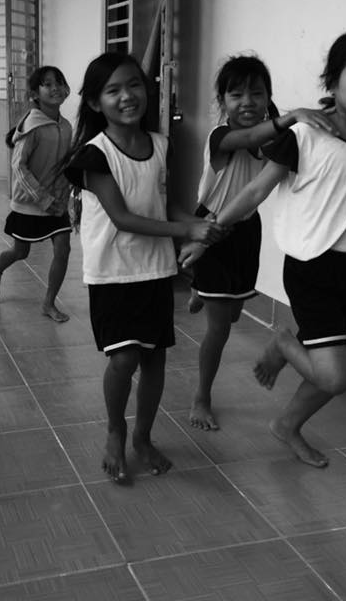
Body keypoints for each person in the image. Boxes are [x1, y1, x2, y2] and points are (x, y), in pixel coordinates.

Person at [180, 27, 346, 467]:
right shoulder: (304, 135)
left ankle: (287, 424)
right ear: (333, 81)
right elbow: (254, 192)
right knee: (336, 375)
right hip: (313, 265)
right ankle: (286, 344)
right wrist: (208, 234)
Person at [64, 52, 223, 484]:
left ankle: (143, 437)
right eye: (113, 90)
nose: (127, 96)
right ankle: (116, 430)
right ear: (95, 103)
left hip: (154, 269)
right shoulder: (93, 156)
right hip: (112, 272)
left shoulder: (161, 144)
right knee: (124, 359)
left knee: (154, 361)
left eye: (134, 85)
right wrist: (185, 230)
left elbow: (162, 203)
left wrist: (198, 224)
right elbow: (123, 217)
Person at [187, 55, 335, 431]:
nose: (247, 102)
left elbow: (289, 153)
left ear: (268, 96)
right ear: (222, 101)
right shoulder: (221, 136)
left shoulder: (277, 141)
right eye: (236, 95)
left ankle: (202, 289)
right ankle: (201, 397)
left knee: (234, 312)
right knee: (219, 328)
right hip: (211, 226)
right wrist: (294, 115)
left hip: (246, 230)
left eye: (256, 93)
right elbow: (250, 137)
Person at [0, 66, 74, 322]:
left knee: (63, 248)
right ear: (35, 93)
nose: (55, 88)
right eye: (47, 84)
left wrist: (68, 194)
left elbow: (65, 164)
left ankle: (49, 303)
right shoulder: (32, 126)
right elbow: (19, 167)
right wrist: (43, 199)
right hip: (29, 203)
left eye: (59, 82)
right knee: (20, 252)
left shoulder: (66, 126)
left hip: (56, 204)